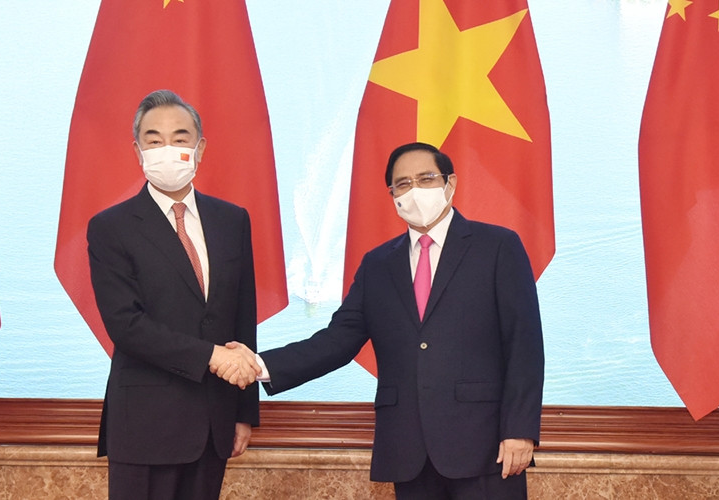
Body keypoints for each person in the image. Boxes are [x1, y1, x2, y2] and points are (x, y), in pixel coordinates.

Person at [216, 142, 544, 499]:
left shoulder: (497, 246)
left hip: (486, 448)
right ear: (392, 195)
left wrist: (520, 430)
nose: (414, 190)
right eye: (402, 184)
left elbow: (524, 345)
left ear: (450, 184)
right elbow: (338, 340)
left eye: (425, 178)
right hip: (409, 451)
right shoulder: (378, 265)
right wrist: (259, 365)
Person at [87, 89, 262, 500]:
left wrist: (244, 412)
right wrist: (212, 356)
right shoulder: (111, 227)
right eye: (154, 139)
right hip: (146, 425)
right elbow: (126, 325)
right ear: (138, 150)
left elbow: (242, 317)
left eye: (180, 138)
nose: (167, 148)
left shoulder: (232, 220)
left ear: (199, 148)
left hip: (215, 422)